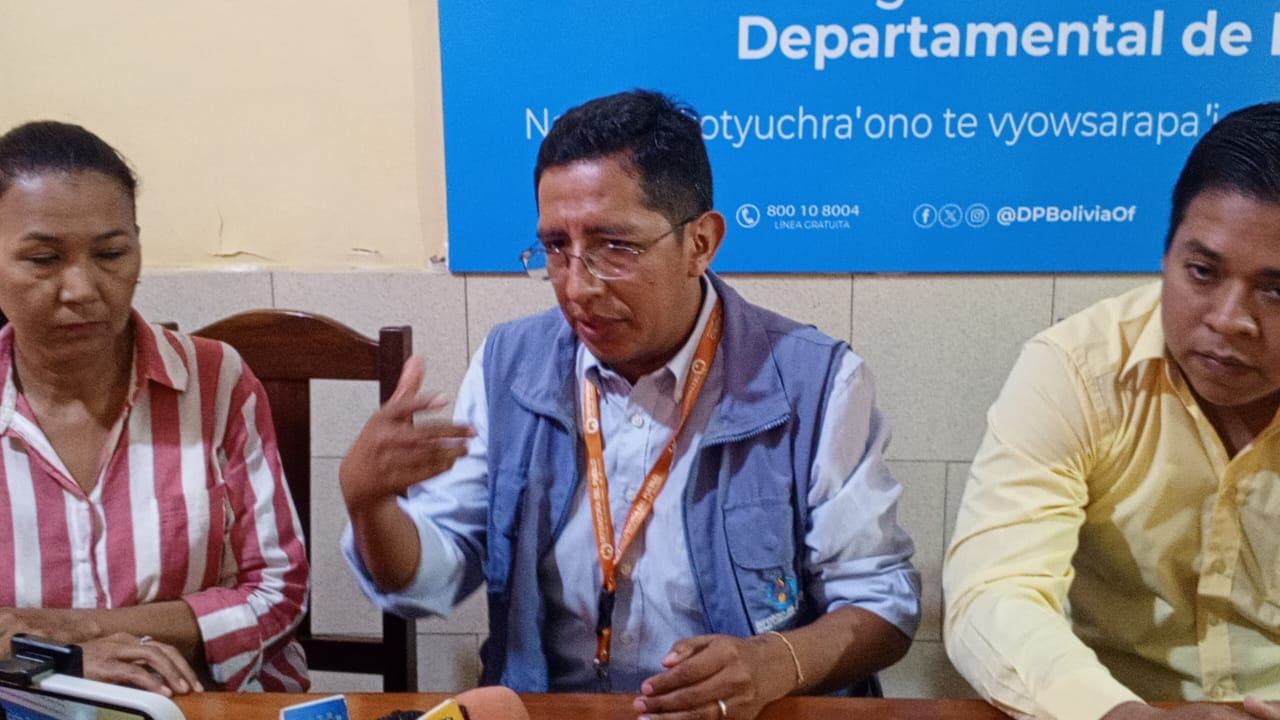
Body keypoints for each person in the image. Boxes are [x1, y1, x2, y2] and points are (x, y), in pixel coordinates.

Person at [341, 89, 920, 719]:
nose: (577, 286)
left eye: (614, 247)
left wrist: (773, 662)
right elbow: (431, 580)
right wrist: (370, 504)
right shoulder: (510, 367)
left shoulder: (813, 382)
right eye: (555, 246)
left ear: (701, 243)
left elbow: (884, 606)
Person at [944, 101, 1280, 720]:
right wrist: (1119, 716)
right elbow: (995, 591)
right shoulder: (1077, 367)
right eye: (1203, 272)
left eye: (1276, 290)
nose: (1230, 319)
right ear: (1165, 256)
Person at [0, 121, 309, 693]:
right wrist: (63, 663)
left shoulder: (215, 381)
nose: (81, 288)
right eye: (43, 259)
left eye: (111, 253)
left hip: (201, 702)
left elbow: (278, 591)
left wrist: (78, 630)